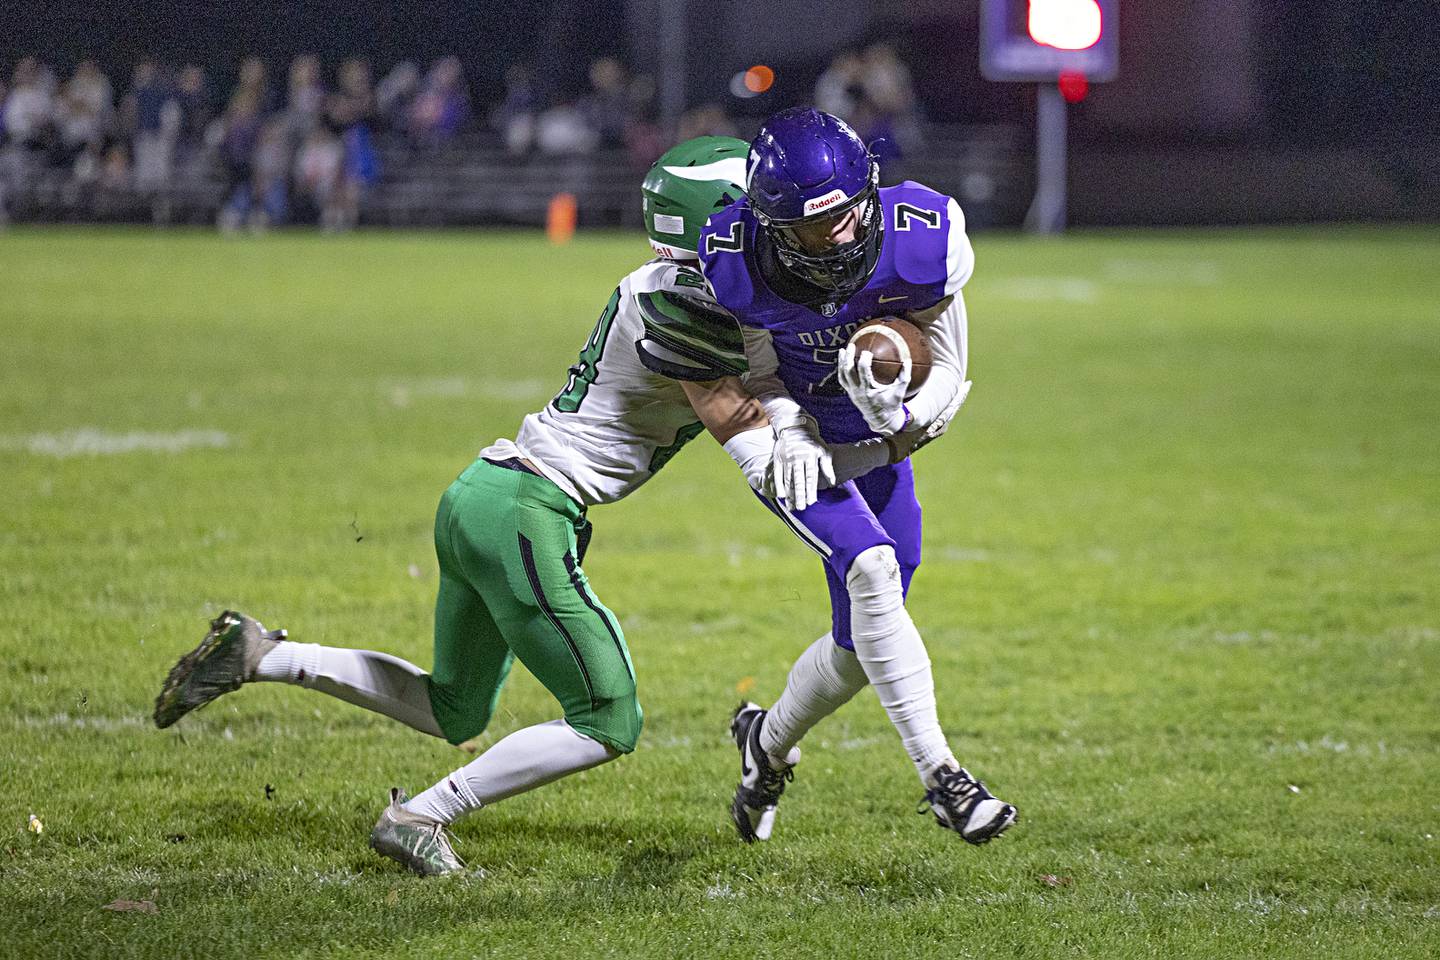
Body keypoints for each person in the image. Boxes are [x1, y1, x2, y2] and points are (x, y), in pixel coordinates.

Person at [151, 136, 941, 876]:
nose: (765, 233)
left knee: (455, 706)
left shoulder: (683, 287)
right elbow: (760, 438)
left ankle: (259, 654)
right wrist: (889, 423)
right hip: (528, 510)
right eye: (750, 217)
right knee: (609, 719)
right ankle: (421, 816)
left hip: (485, 495)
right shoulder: (692, 306)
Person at [698, 107, 1018, 846]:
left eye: (844, 215)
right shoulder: (738, 258)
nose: (836, 235)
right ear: (775, 227)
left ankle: (764, 747)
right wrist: (789, 428)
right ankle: (944, 777)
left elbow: (953, 374)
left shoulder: (921, 237)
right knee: (872, 571)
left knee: (858, 647)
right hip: (798, 454)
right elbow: (759, 372)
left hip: (877, 452)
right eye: (813, 228)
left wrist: (894, 411)